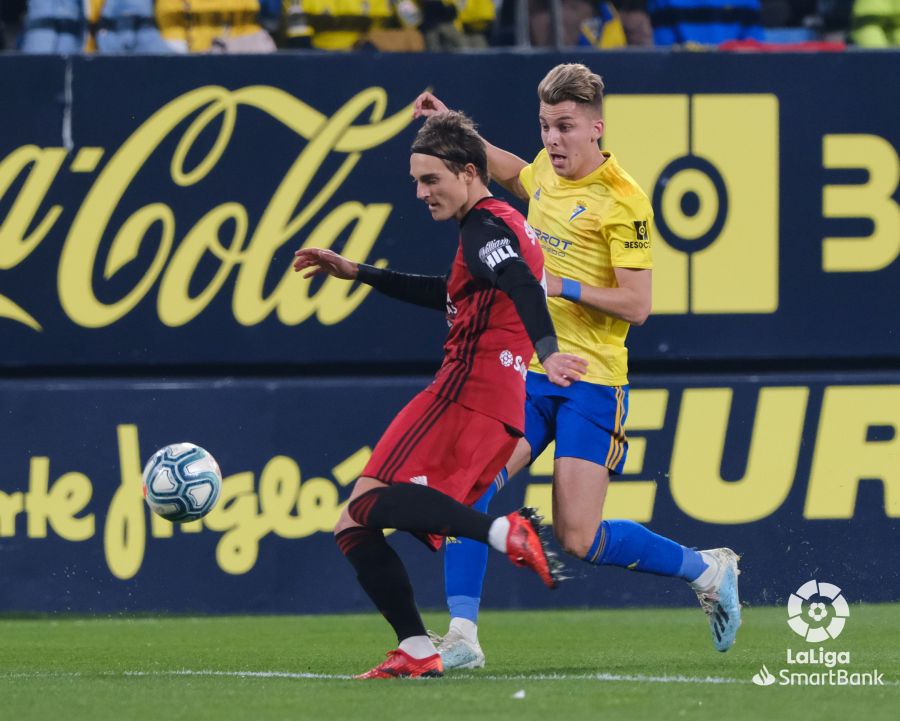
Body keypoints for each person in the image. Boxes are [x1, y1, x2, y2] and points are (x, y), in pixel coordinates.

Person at [414, 63, 742, 671]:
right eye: (545, 125)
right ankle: (462, 637)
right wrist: (452, 129)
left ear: (597, 129)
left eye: (565, 126)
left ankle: (707, 569)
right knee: (472, 489)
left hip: (593, 382)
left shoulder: (625, 200)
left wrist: (560, 283)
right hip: (534, 373)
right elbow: (511, 168)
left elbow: (638, 306)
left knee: (579, 537)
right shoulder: (544, 174)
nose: (553, 139)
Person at [293, 111, 589, 679]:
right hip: (493, 401)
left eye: (431, 180)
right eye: (416, 181)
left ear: (469, 172)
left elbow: (522, 285)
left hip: (464, 392)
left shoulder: (484, 227)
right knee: (354, 526)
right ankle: (419, 649)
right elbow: (454, 295)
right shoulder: (501, 222)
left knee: (364, 507)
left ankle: (505, 532)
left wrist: (549, 351)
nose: (422, 192)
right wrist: (360, 272)